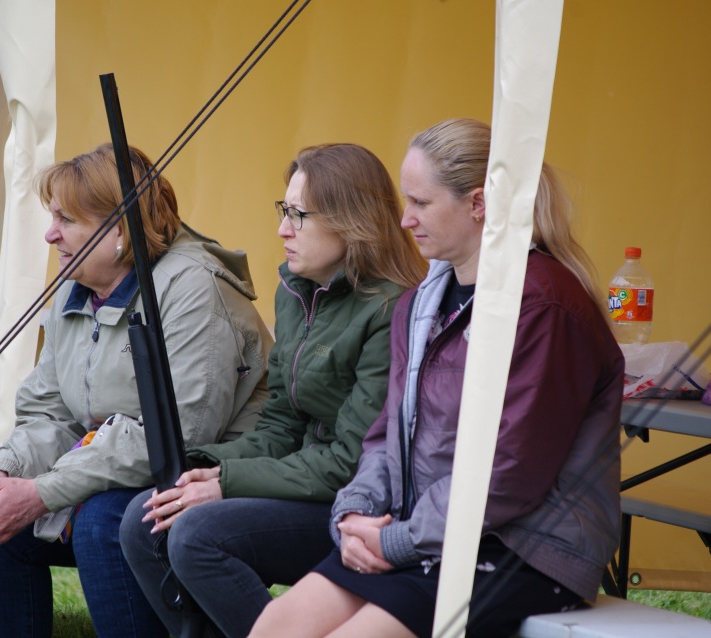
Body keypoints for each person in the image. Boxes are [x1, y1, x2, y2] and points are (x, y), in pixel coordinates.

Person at [251, 118, 625, 638]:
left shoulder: (544, 305)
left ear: (478, 204)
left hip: (526, 548)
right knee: (276, 625)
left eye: (420, 203)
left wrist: (398, 540)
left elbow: (510, 470)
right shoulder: (419, 303)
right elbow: (385, 435)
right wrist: (354, 512)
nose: (405, 220)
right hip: (426, 533)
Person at [0, 143, 273, 638]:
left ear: (119, 228)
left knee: (103, 519)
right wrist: (3, 476)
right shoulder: (75, 287)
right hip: (119, 472)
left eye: (66, 219)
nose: (50, 233)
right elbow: (51, 414)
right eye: (52, 217)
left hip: (213, 478)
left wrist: (42, 492)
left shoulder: (193, 288)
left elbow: (181, 436)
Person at [119, 143, 427, 638]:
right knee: (146, 516)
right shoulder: (296, 291)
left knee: (197, 534)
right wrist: (198, 464)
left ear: (352, 221)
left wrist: (227, 481)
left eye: (299, 215)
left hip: (360, 508)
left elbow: (350, 461)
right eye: (285, 210)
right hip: (305, 481)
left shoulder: (392, 309)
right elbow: (281, 424)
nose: (283, 229)